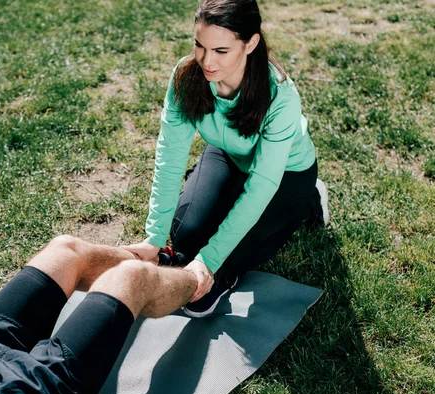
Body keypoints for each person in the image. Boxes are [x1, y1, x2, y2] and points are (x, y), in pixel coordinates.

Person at [123, 0, 329, 318]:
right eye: (199, 46)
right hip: (227, 154)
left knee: (230, 254)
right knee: (186, 237)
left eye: (221, 50)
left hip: (285, 172)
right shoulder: (186, 77)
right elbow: (169, 158)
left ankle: (309, 202)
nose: (207, 60)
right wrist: (153, 238)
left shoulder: (280, 96)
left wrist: (212, 261)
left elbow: (262, 184)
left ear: (251, 44)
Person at [0, 235, 197, 394]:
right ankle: (200, 282)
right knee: (134, 278)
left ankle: (163, 259)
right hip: (30, 392)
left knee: (66, 248)